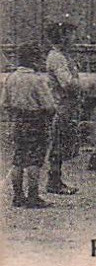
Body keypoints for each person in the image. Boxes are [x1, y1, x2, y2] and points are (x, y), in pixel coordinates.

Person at [3, 44, 59, 208]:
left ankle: (18, 196)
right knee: (35, 159)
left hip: (18, 120)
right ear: (34, 59)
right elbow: (49, 105)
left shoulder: (11, 78)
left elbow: (4, 103)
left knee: (18, 159)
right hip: (36, 120)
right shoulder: (37, 80)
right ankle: (33, 196)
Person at [44, 18, 83, 195]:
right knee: (58, 143)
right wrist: (86, 84)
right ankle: (54, 182)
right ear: (63, 36)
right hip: (62, 105)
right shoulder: (58, 58)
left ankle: (56, 180)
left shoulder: (62, 56)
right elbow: (67, 83)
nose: (74, 38)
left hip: (66, 104)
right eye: (71, 34)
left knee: (62, 142)